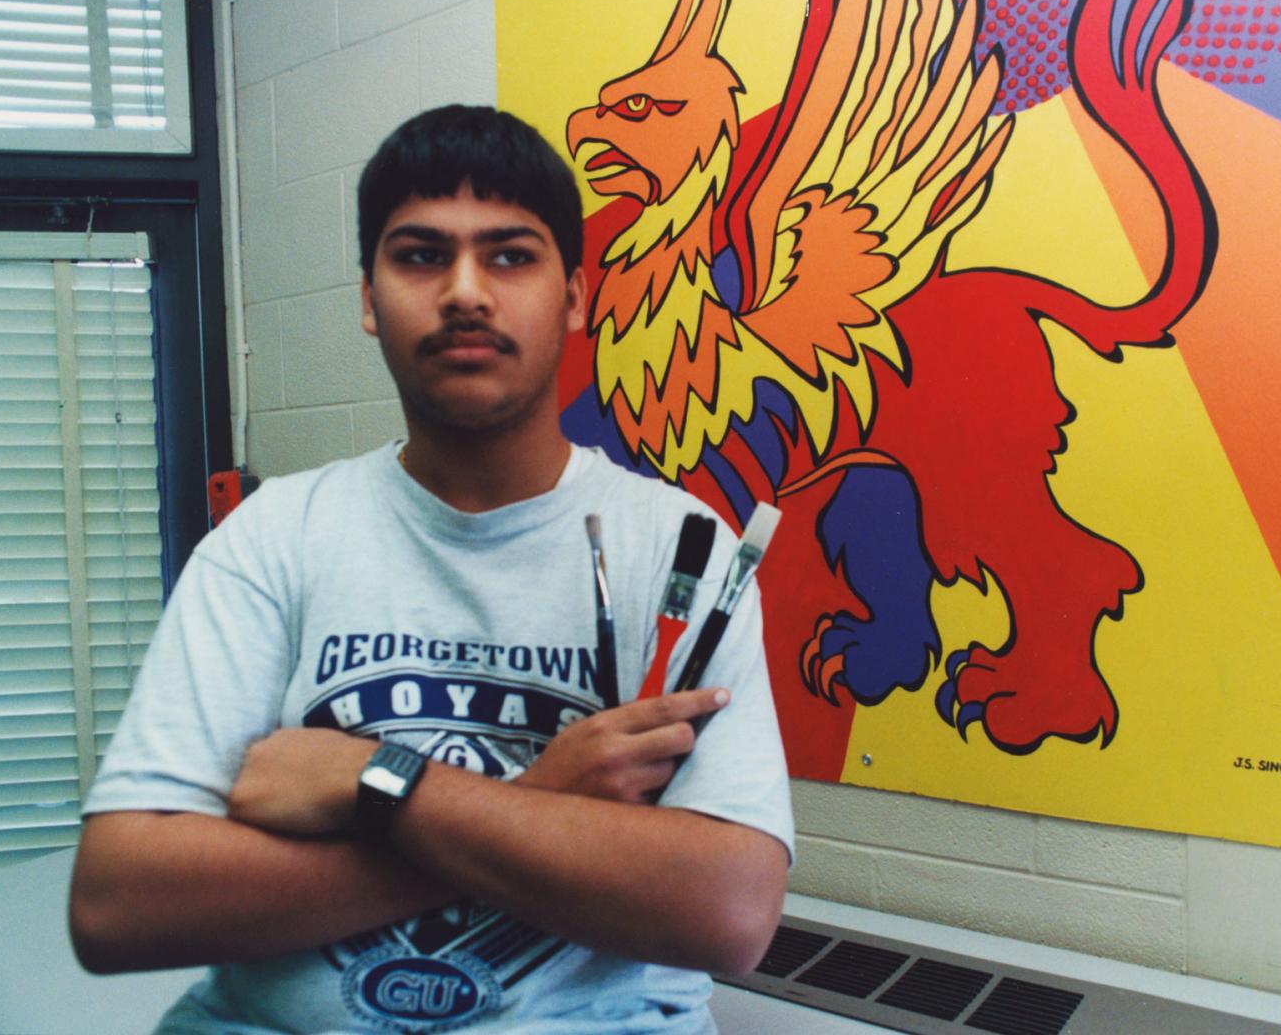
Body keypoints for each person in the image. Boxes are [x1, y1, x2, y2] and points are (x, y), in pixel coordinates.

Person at [68, 105, 793, 1034]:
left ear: (575, 295)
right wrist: (536, 804)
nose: (464, 292)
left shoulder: (680, 547)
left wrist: (374, 779)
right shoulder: (272, 539)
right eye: (418, 256)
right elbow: (117, 906)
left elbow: (727, 915)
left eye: (509, 256)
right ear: (369, 298)